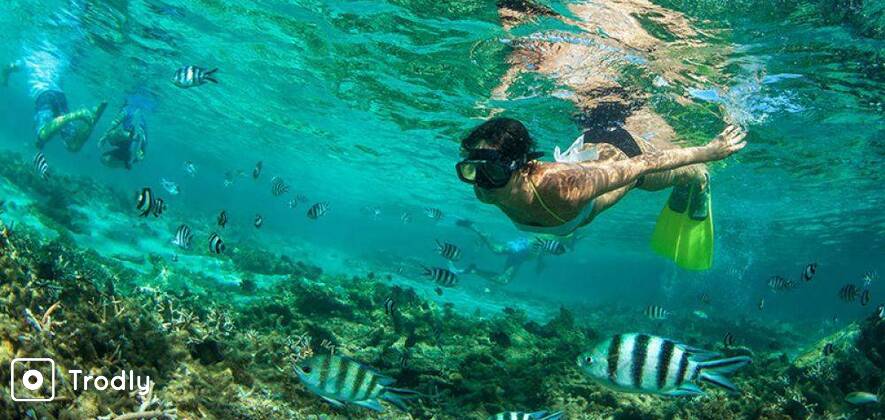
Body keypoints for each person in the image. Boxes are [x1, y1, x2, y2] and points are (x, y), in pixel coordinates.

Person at [456, 118, 746, 271]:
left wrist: (709, 151)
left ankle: (698, 176)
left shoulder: (565, 186)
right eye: (470, 171)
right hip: (591, 146)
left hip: (622, 154)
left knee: (646, 178)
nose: (480, 183)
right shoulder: (488, 188)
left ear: (522, 168)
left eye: (492, 172)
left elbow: (640, 164)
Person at [97, 92, 152, 170]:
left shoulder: (126, 110)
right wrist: (142, 151)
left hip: (129, 139)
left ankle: (125, 161)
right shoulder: (135, 113)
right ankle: (126, 162)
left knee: (111, 137)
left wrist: (104, 137)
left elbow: (114, 123)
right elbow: (144, 135)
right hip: (131, 141)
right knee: (115, 140)